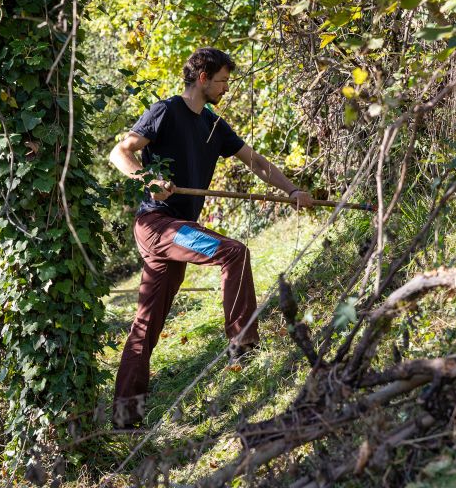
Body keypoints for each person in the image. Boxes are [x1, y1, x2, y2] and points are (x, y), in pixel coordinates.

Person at [108, 47, 313, 428]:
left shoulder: (213, 126)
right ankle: (243, 344)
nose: (225, 88)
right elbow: (120, 153)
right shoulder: (165, 111)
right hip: (156, 223)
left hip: (176, 230)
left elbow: (256, 162)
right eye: (222, 80)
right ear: (202, 77)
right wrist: (149, 179)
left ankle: (124, 416)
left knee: (146, 323)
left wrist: (291, 191)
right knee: (232, 251)